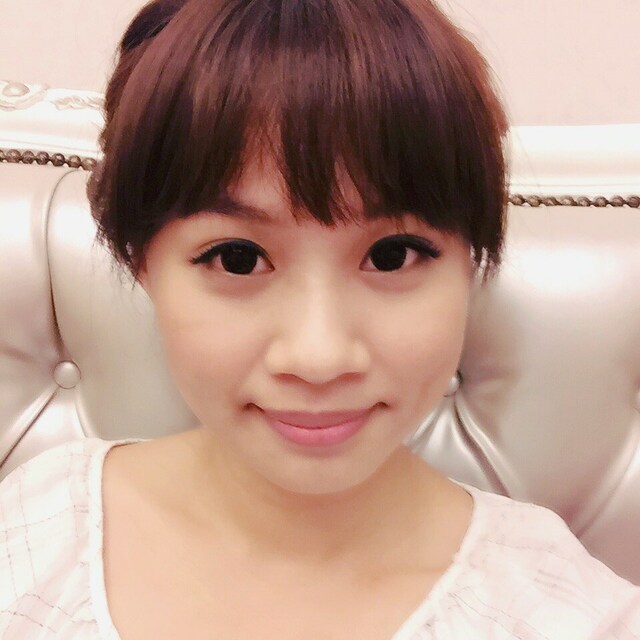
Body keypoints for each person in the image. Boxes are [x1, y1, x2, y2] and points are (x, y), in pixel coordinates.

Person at [1, 0, 639, 637]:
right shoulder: (37, 529)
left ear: (469, 263)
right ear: (142, 263)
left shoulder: (567, 614)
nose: (319, 357)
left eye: (391, 255)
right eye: (238, 258)